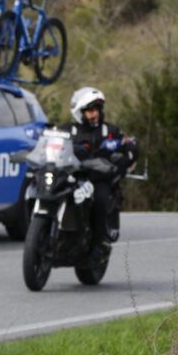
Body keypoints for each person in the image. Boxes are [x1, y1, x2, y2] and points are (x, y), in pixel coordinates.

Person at [61, 87, 137, 259]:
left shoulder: (110, 131)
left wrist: (123, 151)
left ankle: (99, 243)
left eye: (96, 110)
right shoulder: (68, 130)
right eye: (89, 110)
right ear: (79, 112)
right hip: (71, 176)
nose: (93, 114)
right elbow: (51, 140)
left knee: (100, 199)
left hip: (97, 179)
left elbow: (130, 147)